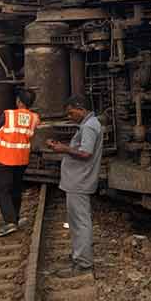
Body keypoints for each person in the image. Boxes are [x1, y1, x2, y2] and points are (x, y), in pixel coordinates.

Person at [47, 95, 103, 276]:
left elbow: (86, 153)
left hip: (79, 181)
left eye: (71, 113)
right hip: (77, 181)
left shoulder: (89, 127)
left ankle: (83, 264)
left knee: (80, 222)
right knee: (76, 222)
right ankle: (79, 256)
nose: (70, 116)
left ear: (81, 108)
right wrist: (64, 147)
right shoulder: (89, 124)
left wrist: (63, 149)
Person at [0, 89, 41, 237]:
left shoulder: (8, 114)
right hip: (22, 157)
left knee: (3, 189)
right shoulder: (34, 118)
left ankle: (10, 222)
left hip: (6, 157)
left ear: (19, 101)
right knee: (16, 188)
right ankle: (14, 218)